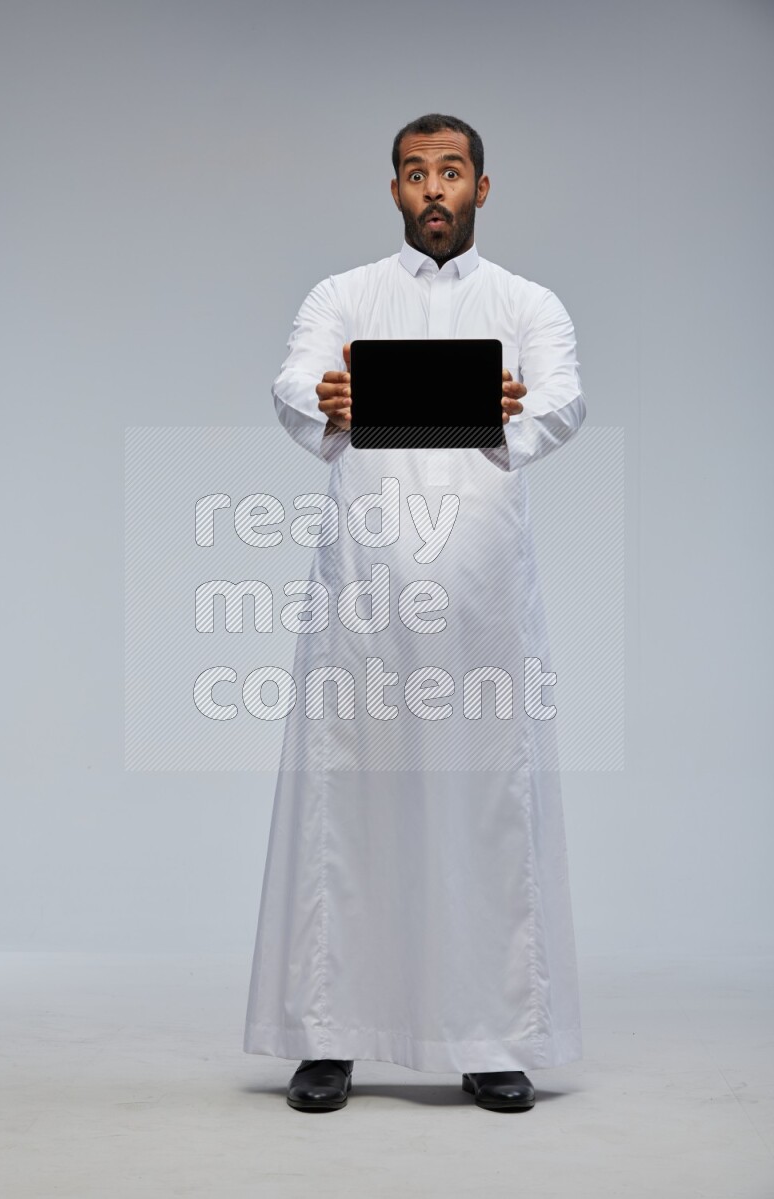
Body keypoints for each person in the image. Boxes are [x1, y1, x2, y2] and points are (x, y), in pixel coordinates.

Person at [243, 113, 586, 1113]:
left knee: (485, 801)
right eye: (412, 173)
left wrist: (438, 399)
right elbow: (298, 384)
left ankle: (490, 1035)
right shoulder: (342, 295)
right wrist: (386, 395)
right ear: (391, 190)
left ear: (482, 187)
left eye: (450, 171)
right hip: (363, 585)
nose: (431, 188)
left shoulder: (527, 302)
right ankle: (328, 1034)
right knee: (348, 801)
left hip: (479, 596)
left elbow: (556, 399)